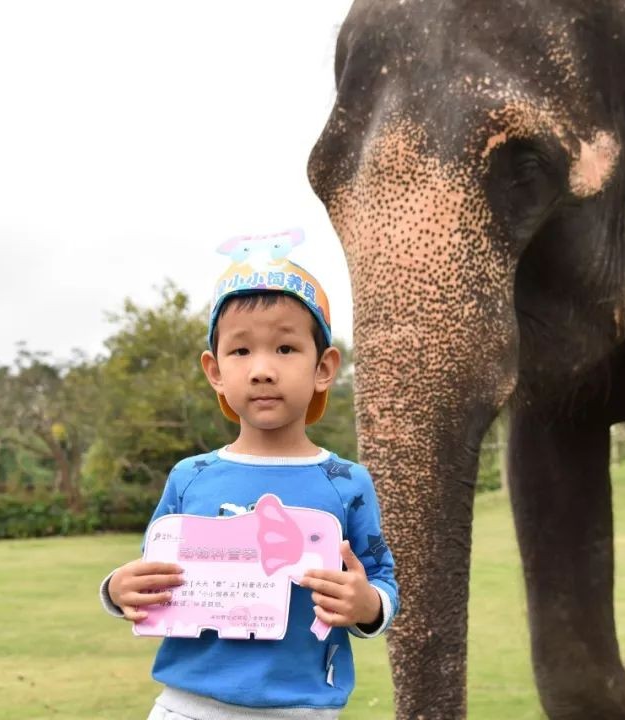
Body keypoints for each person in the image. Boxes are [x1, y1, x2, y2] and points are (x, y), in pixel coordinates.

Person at [98, 232, 399, 720]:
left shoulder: (347, 483)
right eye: (241, 352)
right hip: (187, 706)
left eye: (284, 348)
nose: (262, 370)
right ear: (215, 370)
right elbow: (154, 570)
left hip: (304, 708)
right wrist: (117, 588)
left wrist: (366, 604)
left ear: (324, 367)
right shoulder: (189, 476)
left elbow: (381, 579)